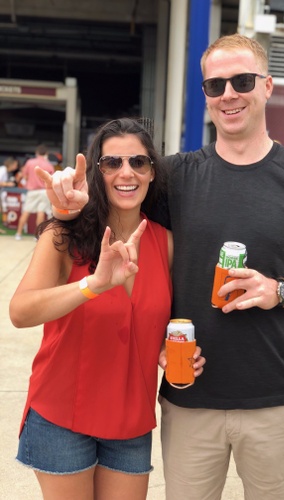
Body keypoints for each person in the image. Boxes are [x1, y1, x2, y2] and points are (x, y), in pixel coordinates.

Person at [45, 34, 284, 500]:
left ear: (267, 86)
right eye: (215, 85)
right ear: (205, 95)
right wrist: (69, 208)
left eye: (242, 80)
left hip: (275, 399)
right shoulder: (173, 176)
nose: (228, 94)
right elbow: (111, 213)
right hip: (189, 399)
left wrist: (280, 290)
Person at [9, 118, 205, 500]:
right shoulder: (64, 234)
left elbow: (159, 320)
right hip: (61, 416)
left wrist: (168, 351)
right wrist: (92, 285)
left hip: (131, 421)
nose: (126, 172)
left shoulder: (165, 243)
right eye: (112, 162)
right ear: (97, 172)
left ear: (151, 173)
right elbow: (20, 311)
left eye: (138, 162)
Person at [14, 144, 55, 240]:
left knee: (26, 212)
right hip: (44, 191)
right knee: (41, 212)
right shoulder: (49, 165)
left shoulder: (30, 162)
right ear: (46, 154)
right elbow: (51, 179)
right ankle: (37, 236)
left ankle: (18, 234)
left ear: (37, 153)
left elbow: (24, 176)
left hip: (32, 191)